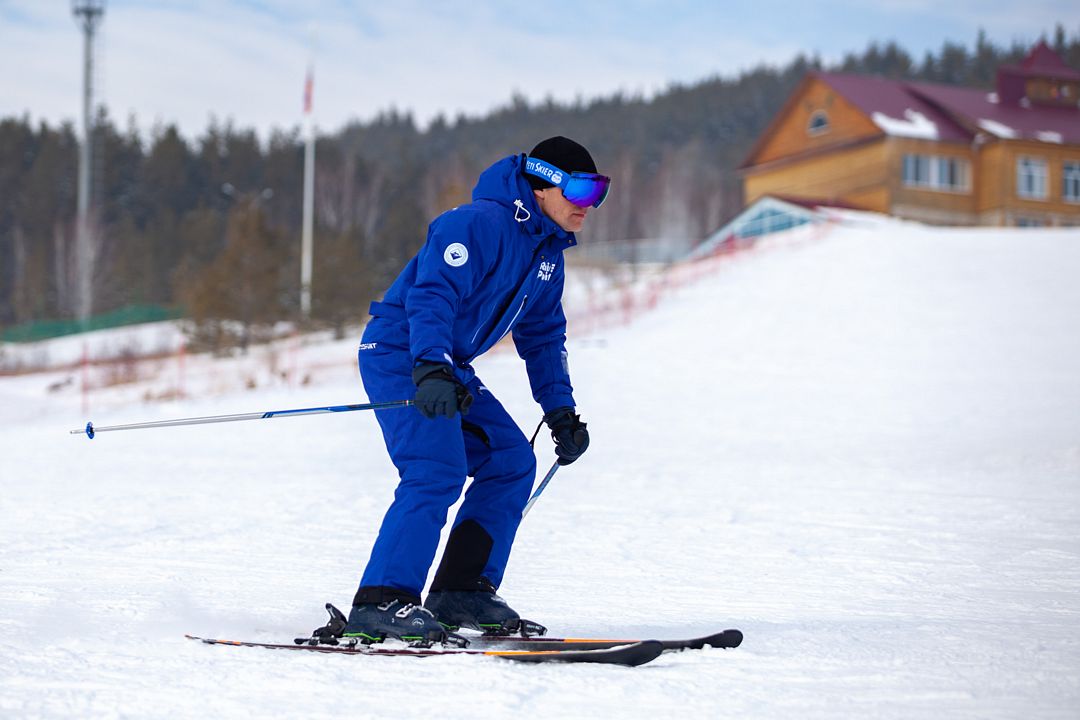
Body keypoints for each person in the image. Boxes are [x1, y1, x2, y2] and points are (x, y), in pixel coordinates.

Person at [341, 136, 608, 644]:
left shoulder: (547, 253)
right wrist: (430, 366)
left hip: (446, 362)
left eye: (599, 192)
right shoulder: (476, 224)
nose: (588, 204)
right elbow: (433, 295)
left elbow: (543, 336)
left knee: (511, 461)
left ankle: (461, 590)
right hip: (403, 352)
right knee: (435, 468)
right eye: (579, 189)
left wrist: (560, 411)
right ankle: (381, 600)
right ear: (542, 184)